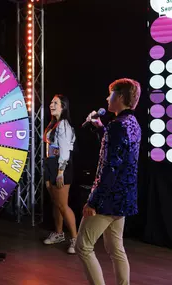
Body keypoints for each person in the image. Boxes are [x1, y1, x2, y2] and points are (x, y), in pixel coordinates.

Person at [76, 78, 142, 285]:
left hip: (108, 199)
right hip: (124, 197)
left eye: (111, 93)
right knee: (116, 248)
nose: (107, 98)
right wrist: (100, 129)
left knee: (83, 246)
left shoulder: (116, 126)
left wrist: (93, 202)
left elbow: (109, 168)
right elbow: (119, 152)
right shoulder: (132, 124)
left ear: (120, 97)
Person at [43, 94, 78, 254]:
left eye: (55, 102)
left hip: (61, 166)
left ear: (63, 107)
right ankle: (58, 233)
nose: (52, 104)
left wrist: (60, 172)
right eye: (51, 102)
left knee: (63, 205)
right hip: (51, 164)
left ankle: (76, 239)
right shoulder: (53, 123)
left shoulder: (63, 124)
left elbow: (64, 152)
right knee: (56, 203)